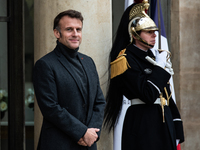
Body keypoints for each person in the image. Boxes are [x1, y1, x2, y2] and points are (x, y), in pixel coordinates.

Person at [104, 1, 184, 150]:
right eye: (149, 32)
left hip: (164, 124)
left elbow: (166, 95)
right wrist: (160, 68)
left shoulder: (154, 58)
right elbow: (148, 94)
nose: (155, 35)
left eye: (154, 31)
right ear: (135, 34)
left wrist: (177, 126)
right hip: (143, 125)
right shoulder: (126, 60)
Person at [33, 9, 106, 150]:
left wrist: (92, 134)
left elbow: (99, 101)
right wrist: (81, 132)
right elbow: (51, 108)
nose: (75, 34)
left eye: (78, 29)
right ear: (57, 33)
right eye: (69, 29)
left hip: (88, 144)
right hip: (59, 144)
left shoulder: (88, 62)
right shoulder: (45, 64)